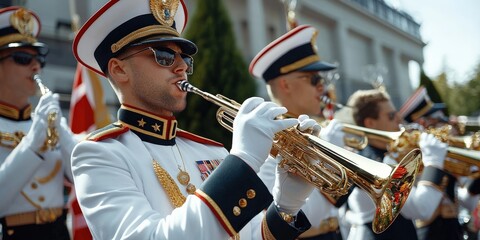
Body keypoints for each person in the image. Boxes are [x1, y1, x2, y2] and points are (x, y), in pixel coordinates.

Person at [70, 0, 319, 239]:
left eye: (185, 58)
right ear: (119, 69)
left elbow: (249, 235)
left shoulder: (211, 150)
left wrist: (287, 205)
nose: (181, 67)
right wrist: (242, 161)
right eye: (164, 56)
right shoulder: (100, 155)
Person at [249, 24, 348, 240]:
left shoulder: (317, 130)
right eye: (314, 79)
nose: (322, 87)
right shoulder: (267, 140)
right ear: (285, 84)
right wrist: (331, 162)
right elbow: (289, 216)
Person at [0, 6, 77, 240]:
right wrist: (34, 143)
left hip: (58, 231)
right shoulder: (39, 129)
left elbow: (82, 176)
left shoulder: (44, 122)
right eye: (23, 58)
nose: (36, 67)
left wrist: (60, 129)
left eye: (39, 58)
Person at [344, 88, 449, 240]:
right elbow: (422, 209)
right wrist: (434, 160)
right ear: (370, 123)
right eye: (391, 116)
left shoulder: (388, 155)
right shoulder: (376, 163)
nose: (400, 120)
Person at [400, 86, 480, 240]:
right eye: (440, 122)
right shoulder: (410, 157)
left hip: (453, 230)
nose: (447, 126)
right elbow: (420, 207)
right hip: (428, 233)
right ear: (423, 124)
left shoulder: (444, 154)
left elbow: (468, 202)